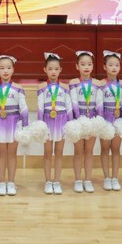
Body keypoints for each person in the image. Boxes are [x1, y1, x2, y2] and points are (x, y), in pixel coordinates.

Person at [0, 55, 28, 196]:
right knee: (1, 153)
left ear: (13, 70)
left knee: (12, 153)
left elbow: (23, 108)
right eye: (2, 68)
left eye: (9, 68)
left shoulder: (18, 88)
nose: (5, 71)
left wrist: (25, 125)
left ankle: (11, 182)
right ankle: (1, 182)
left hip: (14, 122)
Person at [38, 52, 71, 195]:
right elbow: (40, 107)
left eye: (56, 69)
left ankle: (56, 181)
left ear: (60, 70)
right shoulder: (41, 87)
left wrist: (70, 124)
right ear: (45, 69)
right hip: (47, 121)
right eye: (50, 69)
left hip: (61, 121)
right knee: (47, 152)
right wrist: (40, 124)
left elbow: (69, 107)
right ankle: (48, 181)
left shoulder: (65, 87)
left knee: (59, 152)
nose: (53, 72)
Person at [68, 51, 100, 193]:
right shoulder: (74, 83)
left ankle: (87, 180)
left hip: (92, 120)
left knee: (89, 151)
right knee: (78, 151)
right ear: (77, 66)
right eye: (82, 64)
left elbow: (99, 103)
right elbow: (73, 102)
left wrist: (98, 120)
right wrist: (77, 120)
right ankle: (78, 180)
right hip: (78, 120)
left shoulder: (97, 83)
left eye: (89, 64)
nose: (86, 67)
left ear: (93, 66)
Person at [97, 51, 122, 192]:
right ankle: (107, 177)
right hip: (105, 119)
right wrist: (102, 121)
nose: (114, 68)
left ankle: (115, 177)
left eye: (117, 65)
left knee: (116, 149)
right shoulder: (101, 84)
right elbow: (98, 104)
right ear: (104, 67)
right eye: (110, 65)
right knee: (104, 148)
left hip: (118, 118)